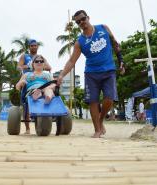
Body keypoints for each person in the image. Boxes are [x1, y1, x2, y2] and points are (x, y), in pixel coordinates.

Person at [57, 10, 125, 138]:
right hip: (91, 74)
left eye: (83, 19)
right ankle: (97, 130)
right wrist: (61, 75)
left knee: (109, 99)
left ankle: (100, 119)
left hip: (109, 70)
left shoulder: (103, 28)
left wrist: (121, 61)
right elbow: (72, 61)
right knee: (93, 101)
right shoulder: (80, 42)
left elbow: (115, 44)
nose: (81, 22)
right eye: (78, 22)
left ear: (88, 17)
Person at [16, 55, 56, 134]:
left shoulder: (48, 75)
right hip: (32, 91)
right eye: (37, 61)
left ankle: (47, 97)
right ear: (33, 64)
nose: (39, 62)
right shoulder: (27, 74)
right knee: (37, 90)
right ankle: (38, 94)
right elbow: (17, 86)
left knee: (49, 90)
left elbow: (54, 84)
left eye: (41, 61)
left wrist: (50, 87)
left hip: (45, 90)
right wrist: (21, 82)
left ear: (44, 64)